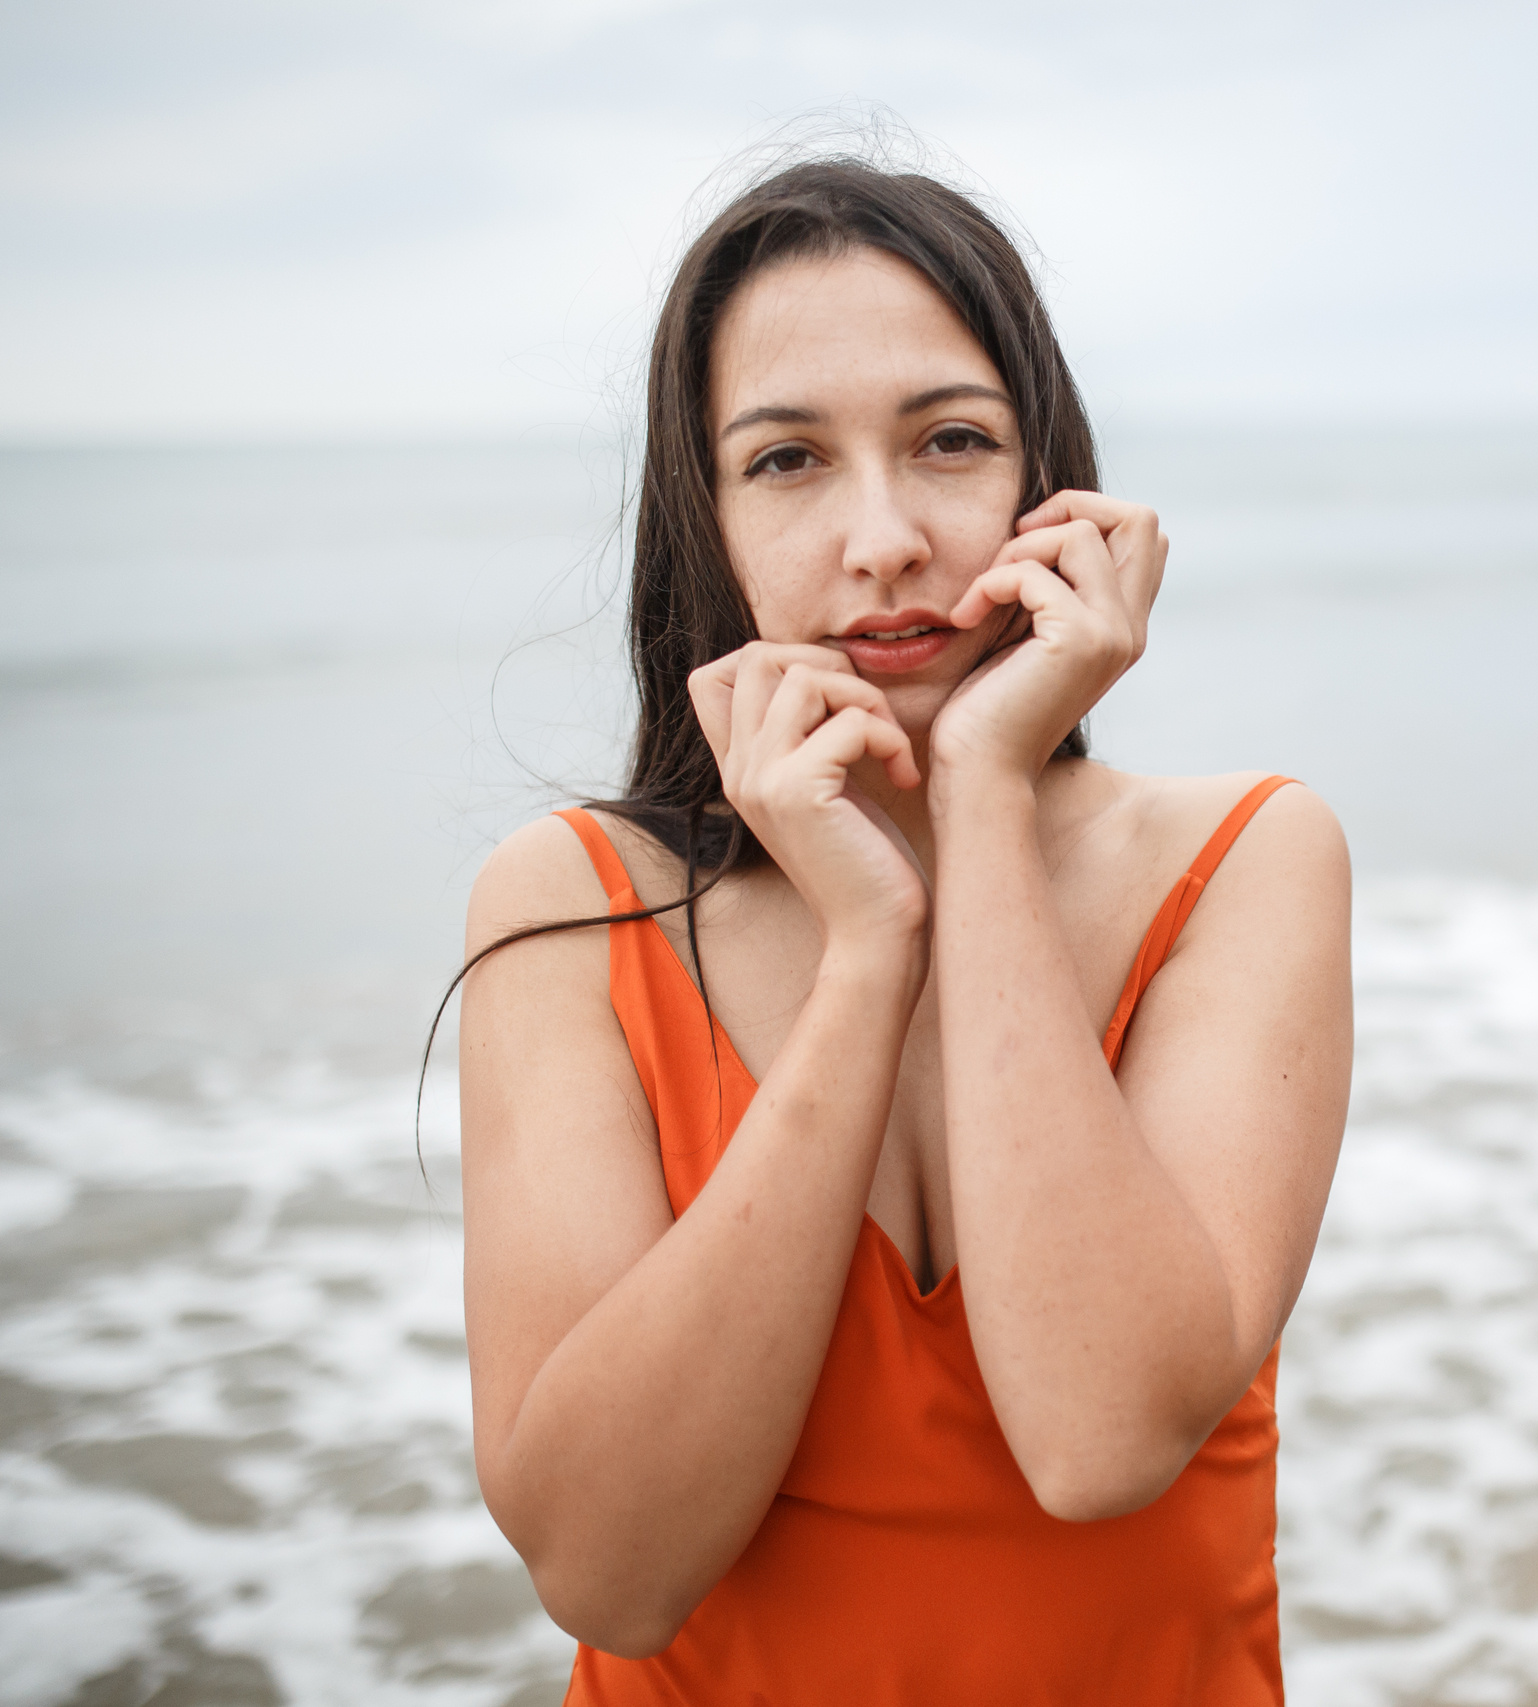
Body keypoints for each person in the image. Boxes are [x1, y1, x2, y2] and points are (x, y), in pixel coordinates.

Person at [452, 157, 1353, 1703]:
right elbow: (610, 1573)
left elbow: (1097, 1435)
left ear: (1049, 484)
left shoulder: (1248, 857)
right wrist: (868, 956)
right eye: (788, 461)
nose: (883, 540)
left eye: (950, 442)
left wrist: (986, 787)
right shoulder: (568, 905)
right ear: (708, 520)